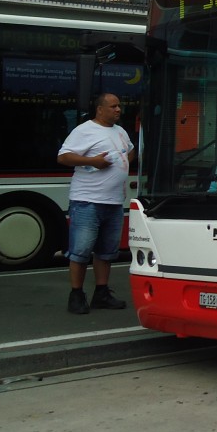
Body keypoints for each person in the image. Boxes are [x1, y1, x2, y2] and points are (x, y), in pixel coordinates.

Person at [56, 93, 134, 315]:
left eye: (119, 105)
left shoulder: (120, 131)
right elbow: (63, 157)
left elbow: (130, 151)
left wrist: (121, 162)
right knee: (81, 251)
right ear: (100, 109)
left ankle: (101, 293)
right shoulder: (84, 130)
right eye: (113, 106)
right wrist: (93, 162)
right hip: (87, 201)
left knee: (106, 252)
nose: (118, 109)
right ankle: (76, 295)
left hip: (114, 202)